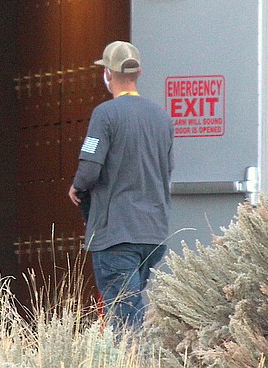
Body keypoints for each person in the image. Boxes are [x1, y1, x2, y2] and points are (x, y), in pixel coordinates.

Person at [68, 41, 174, 330]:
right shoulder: (162, 118)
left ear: (108, 75)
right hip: (152, 234)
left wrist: (76, 187)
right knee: (132, 305)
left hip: (117, 232)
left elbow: (89, 168)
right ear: (138, 73)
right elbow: (167, 169)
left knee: (124, 317)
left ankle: (135, 360)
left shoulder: (106, 114)